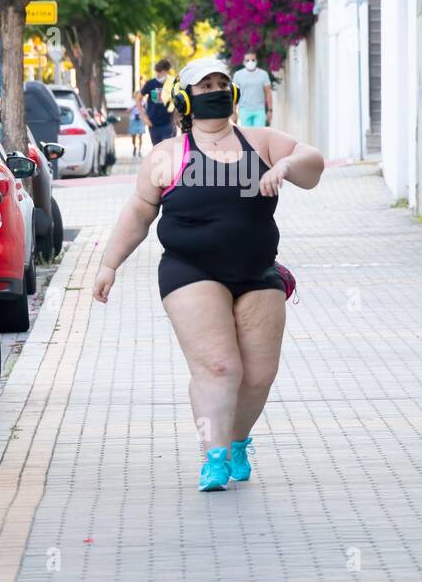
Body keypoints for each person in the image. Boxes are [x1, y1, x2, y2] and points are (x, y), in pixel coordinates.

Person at [93, 56, 325, 492]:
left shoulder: (261, 141)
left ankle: (236, 440)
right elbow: (140, 213)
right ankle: (212, 454)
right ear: (185, 99)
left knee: (259, 373)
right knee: (218, 367)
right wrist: (109, 265)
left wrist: (286, 167)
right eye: (204, 86)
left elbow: (312, 164)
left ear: (234, 94)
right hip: (189, 270)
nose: (216, 90)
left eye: (223, 83)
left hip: (258, 271)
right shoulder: (167, 155)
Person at [137, 59, 176, 145]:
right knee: (157, 151)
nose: (158, 74)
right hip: (153, 124)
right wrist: (144, 116)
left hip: (168, 123)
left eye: (161, 72)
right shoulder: (150, 83)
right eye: (157, 72)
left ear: (166, 71)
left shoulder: (173, 83)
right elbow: (138, 99)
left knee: (168, 150)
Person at [231, 52, 273, 127]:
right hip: (244, 110)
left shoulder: (263, 74)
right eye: (247, 60)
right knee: (247, 136)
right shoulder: (238, 75)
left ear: (256, 61)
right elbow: (235, 94)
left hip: (259, 110)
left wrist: (270, 110)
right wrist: (234, 112)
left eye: (253, 60)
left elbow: (268, 93)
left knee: (259, 135)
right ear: (244, 62)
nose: (250, 62)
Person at [126, 92, 146, 157]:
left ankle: (140, 150)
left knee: (140, 136)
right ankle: (134, 147)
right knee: (133, 136)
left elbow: (146, 111)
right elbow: (127, 111)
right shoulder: (131, 102)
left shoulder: (143, 102)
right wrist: (135, 105)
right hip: (133, 120)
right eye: (136, 95)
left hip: (140, 120)